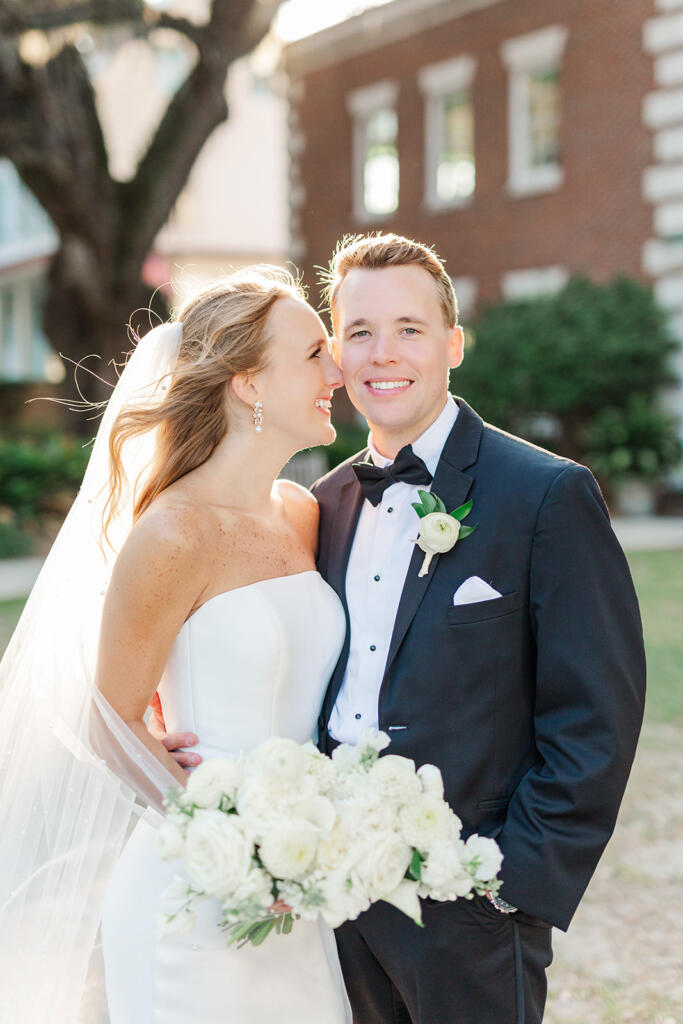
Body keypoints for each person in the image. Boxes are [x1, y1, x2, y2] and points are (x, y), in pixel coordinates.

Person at [160, 233, 647, 1024]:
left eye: (409, 330)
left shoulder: (545, 496)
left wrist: (510, 884)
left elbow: (597, 716)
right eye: (357, 332)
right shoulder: (323, 502)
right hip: (328, 896)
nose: (382, 354)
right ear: (334, 355)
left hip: (467, 901)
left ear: (453, 344)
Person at [0, 266, 351, 1023]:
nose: (340, 369)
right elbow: (112, 714)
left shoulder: (299, 514)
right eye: (316, 353)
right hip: (197, 890)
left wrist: (294, 852)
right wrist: (231, 843)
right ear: (248, 382)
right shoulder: (172, 532)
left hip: (304, 874)